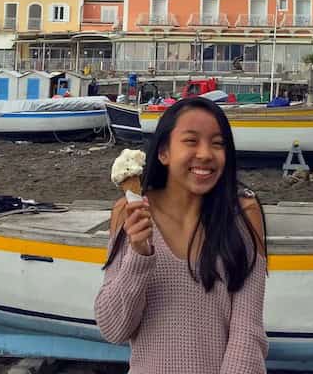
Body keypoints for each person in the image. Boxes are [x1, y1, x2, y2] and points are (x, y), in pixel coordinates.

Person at [95, 97, 268, 373]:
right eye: (191, 141)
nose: (205, 153)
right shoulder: (128, 212)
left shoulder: (243, 215)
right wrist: (138, 256)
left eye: (217, 143)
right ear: (164, 152)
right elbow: (114, 329)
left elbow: (247, 333)